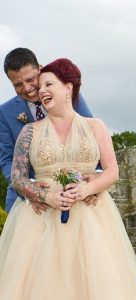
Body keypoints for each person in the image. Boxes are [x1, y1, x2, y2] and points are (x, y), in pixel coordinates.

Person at [0, 58, 136, 299]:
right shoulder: (28, 131)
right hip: (38, 216)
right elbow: (16, 175)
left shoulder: (94, 125)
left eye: (45, 84)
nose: (37, 90)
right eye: (38, 86)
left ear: (68, 87)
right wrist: (40, 195)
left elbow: (111, 170)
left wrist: (90, 188)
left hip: (91, 217)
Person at [0, 48, 95, 213]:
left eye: (31, 79)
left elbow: (92, 137)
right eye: (18, 85)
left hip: (76, 198)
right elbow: (6, 160)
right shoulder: (4, 112)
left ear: (40, 69)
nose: (28, 88)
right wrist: (29, 189)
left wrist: (96, 178)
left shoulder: (70, 97)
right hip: (28, 205)